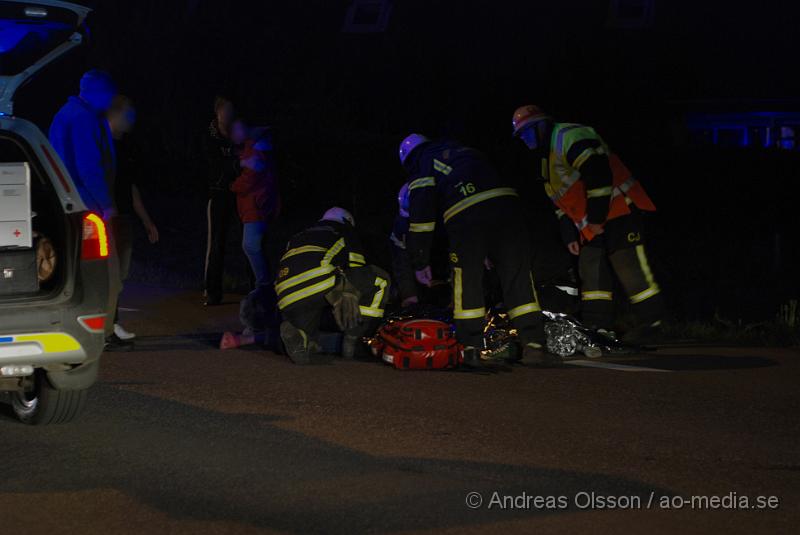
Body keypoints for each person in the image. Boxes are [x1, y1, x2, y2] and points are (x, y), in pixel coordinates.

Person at [398, 134, 554, 367]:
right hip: (509, 210)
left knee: (467, 279)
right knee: (517, 277)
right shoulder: (466, 150)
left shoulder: (424, 161)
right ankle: (534, 345)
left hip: (467, 217)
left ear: (409, 158)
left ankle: (469, 348)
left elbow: (422, 216)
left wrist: (420, 261)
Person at [511, 105, 663, 340]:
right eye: (520, 135)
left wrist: (596, 219)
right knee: (591, 269)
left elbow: (599, 173)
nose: (524, 139)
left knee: (629, 268)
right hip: (593, 224)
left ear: (541, 126)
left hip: (619, 210)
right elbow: (559, 200)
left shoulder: (567, 136)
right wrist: (569, 234)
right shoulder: (545, 158)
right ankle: (596, 327)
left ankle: (652, 324)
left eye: (527, 132)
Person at [49, 69, 121, 345]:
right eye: (109, 95)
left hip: (68, 205)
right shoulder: (84, 118)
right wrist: (106, 204)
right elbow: (89, 167)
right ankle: (103, 331)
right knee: (103, 269)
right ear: (99, 93)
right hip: (88, 206)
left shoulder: (65, 114)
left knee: (77, 268)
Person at [276, 208, 391, 364]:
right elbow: (356, 264)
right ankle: (354, 340)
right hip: (320, 281)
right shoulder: (343, 229)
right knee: (380, 280)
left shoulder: (299, 235)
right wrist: (351, 291)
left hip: (286, 293)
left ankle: (301, 336)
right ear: (348, 220)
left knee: (307, 332)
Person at [105, 95, 160, 347]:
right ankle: (107, 327)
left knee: (121, 274)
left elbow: (131, 187)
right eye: (128, 113)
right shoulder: (103, 143)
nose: (132, 119)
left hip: (124, 216)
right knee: (110, 274)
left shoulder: (125, 146)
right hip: (108, 217)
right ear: (115, 114)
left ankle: (111, 323)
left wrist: (146, 220)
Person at [229, 119, 280, 288]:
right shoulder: (251, 148)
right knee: (253, 245)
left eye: (237, 129)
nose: (234, 133)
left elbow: (250, 177)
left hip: (255, 206)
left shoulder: (255, 149)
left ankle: (263, 284)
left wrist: (231, 185)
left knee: (250, 245)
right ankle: (262, 283)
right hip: (254, 206)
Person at [202, 96, 239, 306]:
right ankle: (212, 290)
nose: (227, 115)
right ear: (217, 112)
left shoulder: (237, 134)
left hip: (238, 194)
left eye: (230, 111)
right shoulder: (210, 136)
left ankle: (255, 290)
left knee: (245, 243)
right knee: (216, 243)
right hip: (218, 194)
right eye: (224, 111)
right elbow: (212, 163)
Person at [389, 182, 449, 308]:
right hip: (421, 278)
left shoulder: (446, 218)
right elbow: (401, 260)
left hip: (450, 273)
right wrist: (408, 294)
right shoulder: (401, 225)